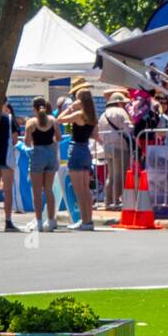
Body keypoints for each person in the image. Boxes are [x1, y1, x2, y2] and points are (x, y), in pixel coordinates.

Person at [57, 86, 97, 230]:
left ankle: (84, 221)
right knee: (86, 189)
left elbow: (59, 120)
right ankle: (88, 220)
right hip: (86, 149)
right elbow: (95, 135)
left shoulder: (79, 114)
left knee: (79, 190)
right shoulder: (92, 116)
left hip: (76, 150)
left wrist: (70, 109)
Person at [24, 96, 60, 231]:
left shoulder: (31, 123)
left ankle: (39, 221)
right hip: (51, 154)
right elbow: (59, 137)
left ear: (34, 108)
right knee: (49, 190)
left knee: (37, 191)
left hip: (37, 155)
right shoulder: (53, 120)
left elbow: (27, 142)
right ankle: (51, 221)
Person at [97, 92, 133, 210]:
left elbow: (99, 132)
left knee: (111, 175)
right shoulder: (121, 112)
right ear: (118, 102)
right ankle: (116, 201)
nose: (124, 105)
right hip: (120, 146)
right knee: (120, 175)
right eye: (123, 103)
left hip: (107, 147)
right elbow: (129, 128)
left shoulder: (103, 115)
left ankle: (108, 201)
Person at [0, 100, 21, 231]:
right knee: (8, 191)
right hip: (6, 157)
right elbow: (15, 140)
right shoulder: (9, 119)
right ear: (4, 103)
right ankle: (8, 220)